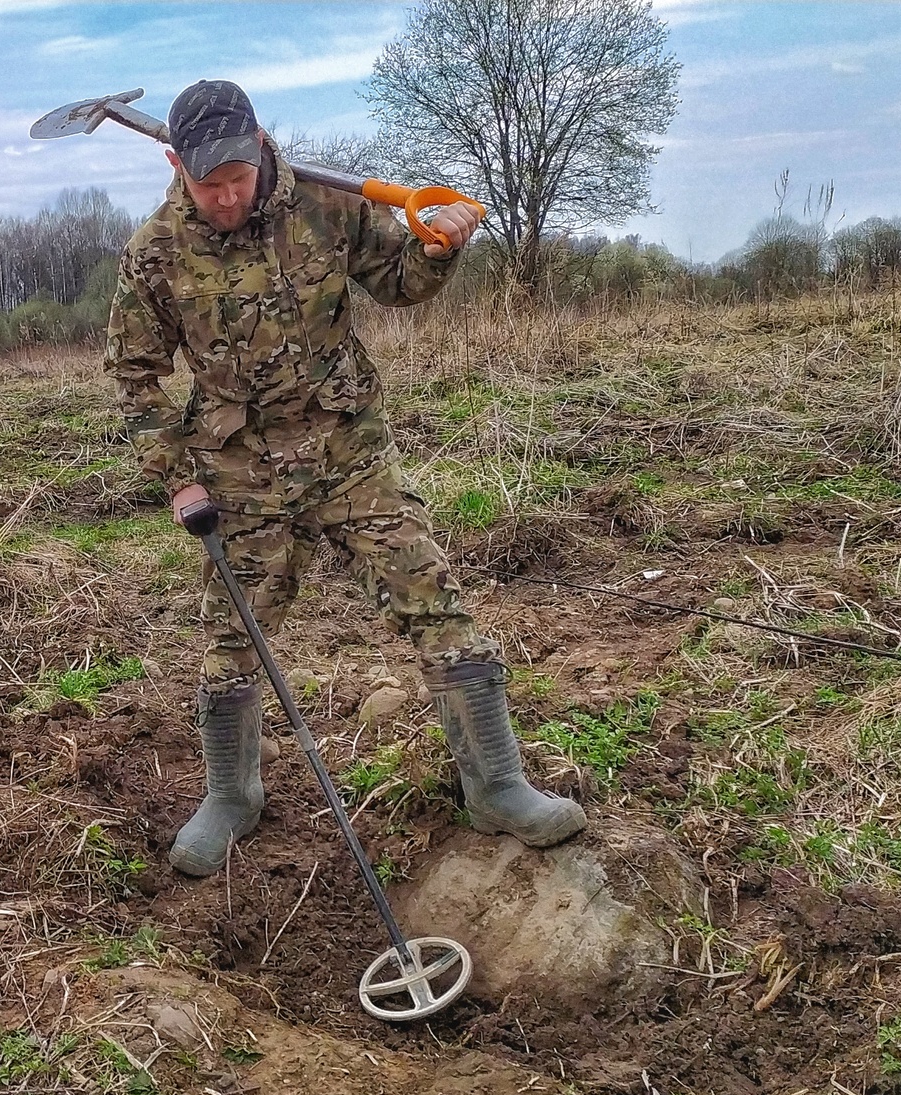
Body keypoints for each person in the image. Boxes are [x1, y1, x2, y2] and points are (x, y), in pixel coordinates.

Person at [105, 79, 586, 879]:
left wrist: (440, 248)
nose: (226, 196)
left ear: (259, 143)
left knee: (434, 601)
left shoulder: (329, 206)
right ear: (173, 163)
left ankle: (497, 785)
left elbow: (400, 283)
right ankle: (232, 797)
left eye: (237, 176)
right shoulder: (154, 251)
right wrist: (175, 479)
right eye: (207, 184)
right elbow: (134, 378)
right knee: (233, 641)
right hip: (240, 473)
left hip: (349, 452)